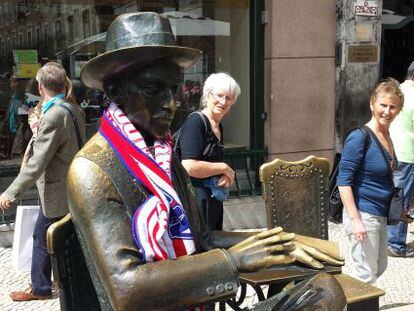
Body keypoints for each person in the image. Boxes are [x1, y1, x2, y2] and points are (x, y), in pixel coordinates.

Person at [68, 12, 345, 311]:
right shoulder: (92, 170)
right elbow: (127, 289)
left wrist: (276, 243)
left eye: (174, 88)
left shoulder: (163, 155)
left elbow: (202, 238)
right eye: (153, 89)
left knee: (325, 291)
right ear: (115, 91)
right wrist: (234, 261)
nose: (170, 103)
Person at [0, 62, 86, 301]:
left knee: (42, 238)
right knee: (62, 238)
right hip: (71, 184)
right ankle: (62, 282)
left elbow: (36, 163)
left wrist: (10, 193)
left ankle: (40, 288)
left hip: (57, 190)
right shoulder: (72, 108)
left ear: (40, 86)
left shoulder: (55, 114)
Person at [338, 78, 404, 284]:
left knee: (380, 266)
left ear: (399, 110)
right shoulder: (359, 137)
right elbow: (343, 182)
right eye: (383, 105)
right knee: (366, 274)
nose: (387, 111)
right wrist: (355, 220)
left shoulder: (386, 135)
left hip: (380, 213)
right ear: (372, 104)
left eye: (393, 107)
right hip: (363, 212)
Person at [178, 72, 239, 231]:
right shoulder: (196, 121)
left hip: (212, 198)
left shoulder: (218, 126)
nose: (223, 101)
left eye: (229, 98)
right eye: (219, 95)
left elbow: (211, 164)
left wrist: (224, 176)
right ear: (208, 95)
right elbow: (189, 166)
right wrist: (224, 169)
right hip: (195, 202)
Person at [387, 61, 414, 257]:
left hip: (393, 151)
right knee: (401, 200)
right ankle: (395, 245)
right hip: (408, 154)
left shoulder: (398, 91)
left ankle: (391, 240)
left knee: (396, 197)